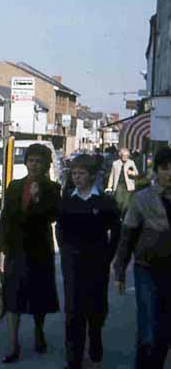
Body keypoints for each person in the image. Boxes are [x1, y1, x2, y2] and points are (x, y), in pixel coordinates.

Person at [0, 143, 61, 364]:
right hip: (16, 250)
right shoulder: (14, 186)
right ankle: (13, 346)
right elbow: (5, 217)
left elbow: (52, 216)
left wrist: (38, 198)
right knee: (13, 298)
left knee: (38, 297)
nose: (34, 164)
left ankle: (39, 331)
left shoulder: (52, 189)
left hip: (39, 250)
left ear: (46, 165)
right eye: (31, 160)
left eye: (39, 161)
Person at [56, 154, 121, 369]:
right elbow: (60, 229)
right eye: (74, 173)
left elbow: (116, 231)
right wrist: (66, 253)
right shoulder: (68, 200)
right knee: (73, 312)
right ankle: (73, 359)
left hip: (97, 264)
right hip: (73, 265)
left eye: (81, 173)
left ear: (92, 176)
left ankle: (95, 353)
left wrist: (108, 256)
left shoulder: (104, 202)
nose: (77, 177)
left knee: (95, 311)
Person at [114, 146, 171, 369]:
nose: (169, 173)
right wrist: (119, 271)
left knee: (165, 328)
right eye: (165, 168)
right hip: (147, 268)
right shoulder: (142, 199)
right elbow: (127, 236)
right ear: (156, 170)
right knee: (149, 327)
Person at [106, 147, 138, 217]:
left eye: (127, 156)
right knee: (118, 201)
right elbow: (112, 175)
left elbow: (136, 173)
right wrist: (109, 186)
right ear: (120, 155)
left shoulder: (131, 162)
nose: (125, 157)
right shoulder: (115, 163)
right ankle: (119, 215)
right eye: (124, 155)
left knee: (126, 204)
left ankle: (122, 216)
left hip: (129, 186)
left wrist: (132, 172)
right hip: (118, 185)